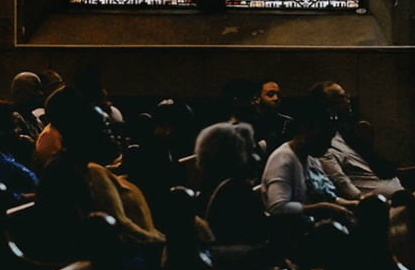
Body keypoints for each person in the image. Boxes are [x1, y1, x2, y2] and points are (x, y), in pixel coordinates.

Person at [37, 86, 164, 260]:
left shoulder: (77, 167)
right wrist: (161, 244)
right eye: (106, 130)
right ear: (86, 135)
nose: (115, 138)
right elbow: (84, 242)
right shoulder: (67, 174)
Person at [261, 99, 356, 223]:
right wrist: (324, 208)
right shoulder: (283, 160)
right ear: (307, 132)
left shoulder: (311, 159)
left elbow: (326, 197)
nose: (329, 145)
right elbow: (277, 207)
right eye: (325, 138)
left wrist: (353, 204)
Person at [309, 80, 402, 199]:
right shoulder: (322, 143)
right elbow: (341, 182)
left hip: (394, 198)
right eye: (340, 99)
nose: (348, 102)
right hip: (375, 206)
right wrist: (364, 203)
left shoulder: (344, 133)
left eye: (346, 97)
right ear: (325, 107)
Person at [194, 121, 267, 244]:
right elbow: (257, 236)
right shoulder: (236, 190)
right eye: (250, 151)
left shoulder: (211, 184)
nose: (256, 158)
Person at [253, 80, 293, 160]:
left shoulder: (287, 122)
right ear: (257, 98)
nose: (276, 98)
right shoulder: (248, 124)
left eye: (278, 95)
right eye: (270, 95)